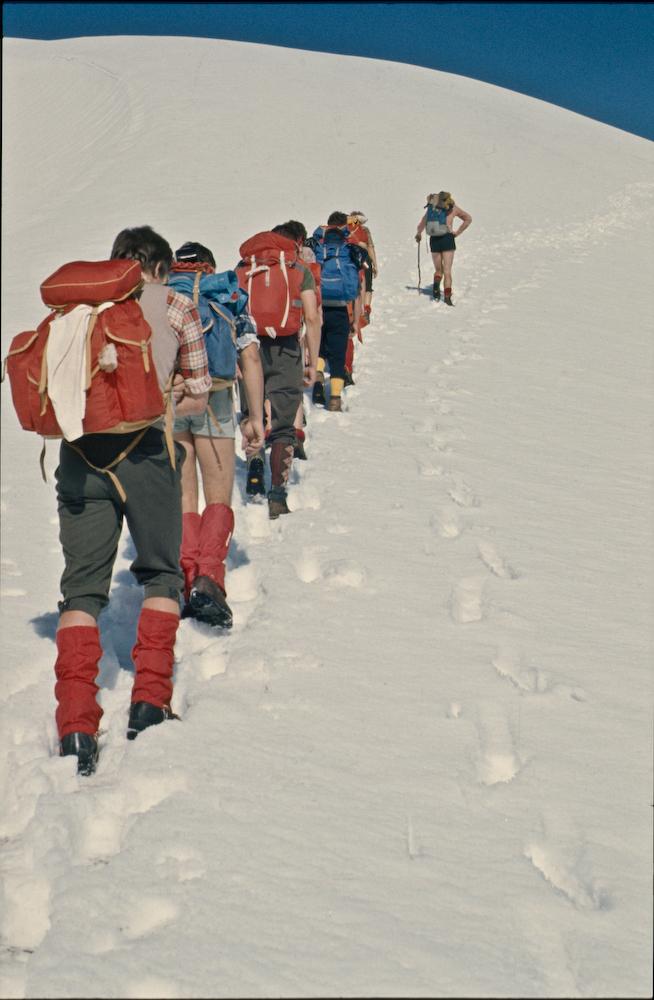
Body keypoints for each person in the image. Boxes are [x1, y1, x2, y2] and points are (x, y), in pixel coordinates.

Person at [54, 226, 211, 774]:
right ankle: (149, 701)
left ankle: (75, 725)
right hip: (146, 454)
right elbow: (199, 386)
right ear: (162, 267)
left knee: (81, 590)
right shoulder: (174, 306)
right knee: (163, 576)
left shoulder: (78, 308)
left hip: (79, 459)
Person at [169, 242, 264, 628]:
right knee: (219, 493)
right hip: (217, 399)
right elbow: (251, 356)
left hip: (171, 402)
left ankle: (185, 577)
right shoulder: (228, 294)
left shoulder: (162, 298)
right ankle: (209, 578)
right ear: (208, 266)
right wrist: (253, 416)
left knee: (184, 496)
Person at [235, 224, 321, 518]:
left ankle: (254, 465)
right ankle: (278, 495)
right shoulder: (299, 268)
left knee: (252, 412)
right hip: (287, 350)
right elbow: (311, 316)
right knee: (284, 423)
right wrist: (312, 362)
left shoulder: (245, 266)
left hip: (248, 347)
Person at [310, 212, 370, 412]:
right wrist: (355, 320)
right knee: (338, 355)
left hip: (318, 310)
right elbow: (358, 290)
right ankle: (335, 398)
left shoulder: (317, 251)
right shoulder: (348, 252)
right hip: (341, 312)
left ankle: (318, 381)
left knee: (318, 349)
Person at [415, 191, 472, 304]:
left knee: (438, 270)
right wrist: (457, 232)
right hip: (447, 238)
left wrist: (419, 233)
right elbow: (468, 219)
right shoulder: (452, 208)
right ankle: (447, 297)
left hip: (434, 240)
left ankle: (436, 281)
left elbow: (422, 222)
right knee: (447, 271)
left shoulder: (432, 208)